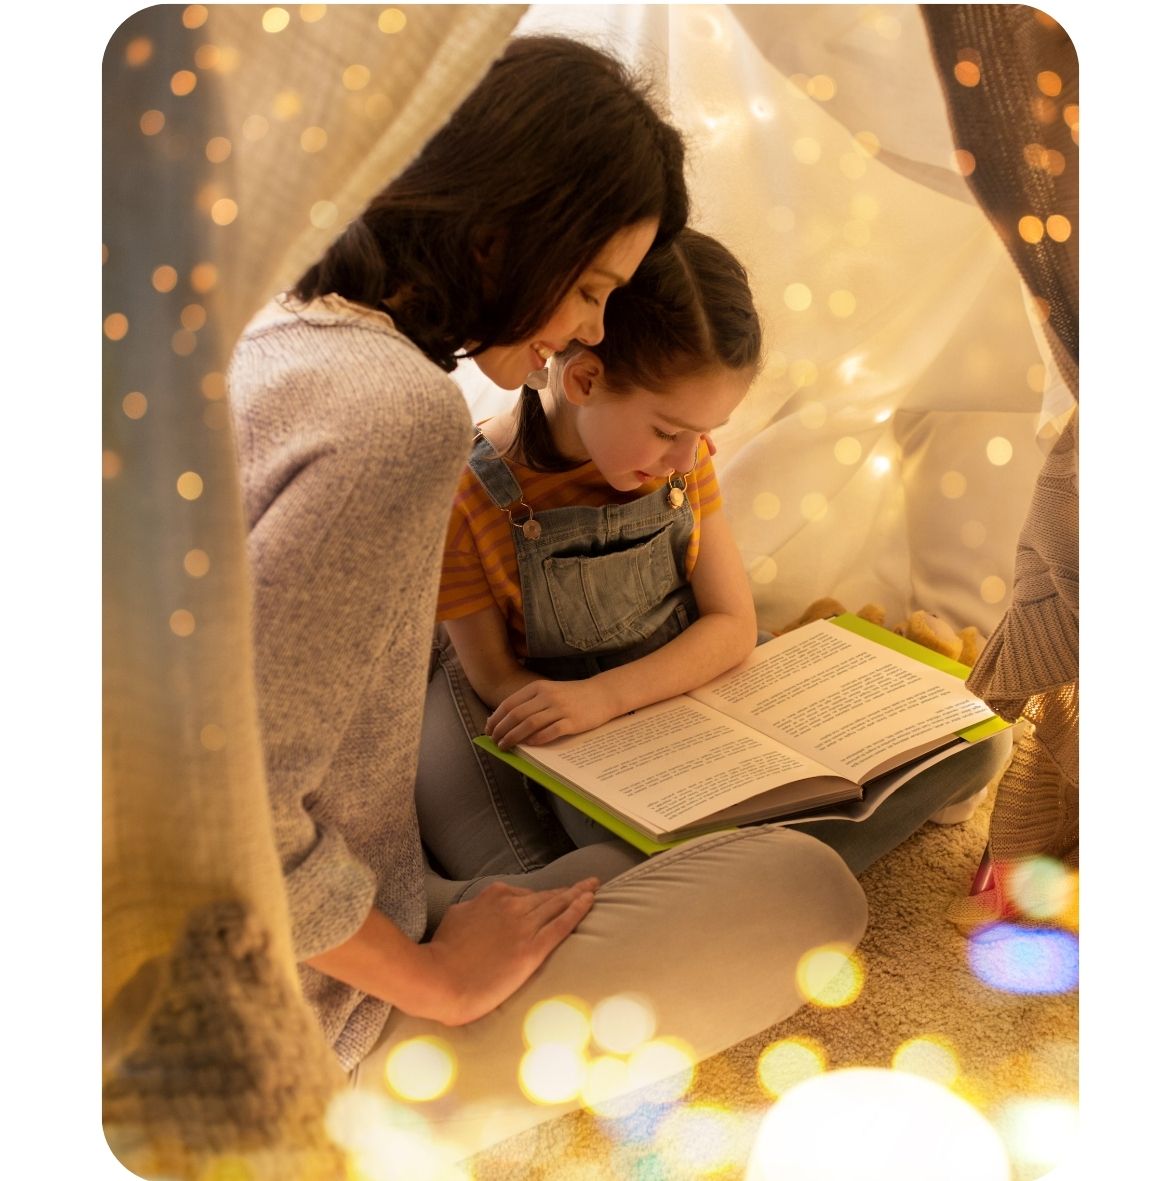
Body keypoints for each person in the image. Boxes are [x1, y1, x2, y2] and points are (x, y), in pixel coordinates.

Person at [226, 31, 867, 1112]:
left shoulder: (276, 330)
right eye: (590, 288)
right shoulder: (397, 416)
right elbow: (234, 810)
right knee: (810, 888)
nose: (592, 328)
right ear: (495, 236)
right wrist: (430, 973)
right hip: (291, 1033)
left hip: (312, 915)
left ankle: (448, 909)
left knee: (617, 866)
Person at [423, 225, 1010, 889]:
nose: (688, 456)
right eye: (668, 431)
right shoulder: (468, 495)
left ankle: (757, 876)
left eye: (703, 434)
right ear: (584, 378)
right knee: (620, 853)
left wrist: (619, 691)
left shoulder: (682, 460)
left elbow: (731, 623)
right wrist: (594, 704)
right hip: (589, 734)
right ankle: (777, 872)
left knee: (980, 740)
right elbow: (494, 679)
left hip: (702, 686)